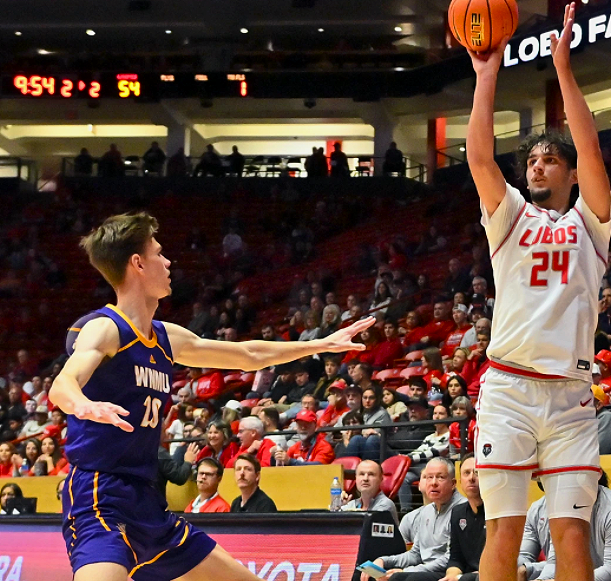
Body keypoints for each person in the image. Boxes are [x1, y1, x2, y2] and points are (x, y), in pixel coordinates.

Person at [49, 212, 372, 581]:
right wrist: (84, 405)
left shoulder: (165, 337)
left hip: (146, 500)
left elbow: (248, 355)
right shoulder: (106, 328)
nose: (168, 261)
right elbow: (62, 384)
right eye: (158, 253)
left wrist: (321, 344)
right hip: (99, 494)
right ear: (137, 263)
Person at [467, 2, 611, 581]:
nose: (538, 165)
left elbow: (592, 147)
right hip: (509, 389)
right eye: (532, 159)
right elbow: (479, 156)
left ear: (571, 175)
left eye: (551, 160)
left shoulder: (591, 223)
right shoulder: (508, 219)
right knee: (502, 528)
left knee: (570, 534)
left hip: (573, 397)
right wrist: (486, 76)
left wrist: (565, 72)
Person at [373, 458, 467, 580]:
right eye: (429, 477)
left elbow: (451, 558)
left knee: (406, 578)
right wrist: (384, 561)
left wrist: (406, 571)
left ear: (453, 483)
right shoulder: (426, 511)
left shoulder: (461, 510)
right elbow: (415, 554)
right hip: (423, 569)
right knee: (372, 574)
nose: (434, 483)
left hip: (449, 572)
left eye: (440, 477)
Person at [441, 457, 485, 581]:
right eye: (466, 473)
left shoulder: (496, 512)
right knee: (402, 578)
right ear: (460, 481)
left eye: (477, 473)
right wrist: (451, 576)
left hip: (486, 575)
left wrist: (461, 578)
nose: (471, 478)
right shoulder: (457, 512)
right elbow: (455, 558)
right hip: (464, 575)